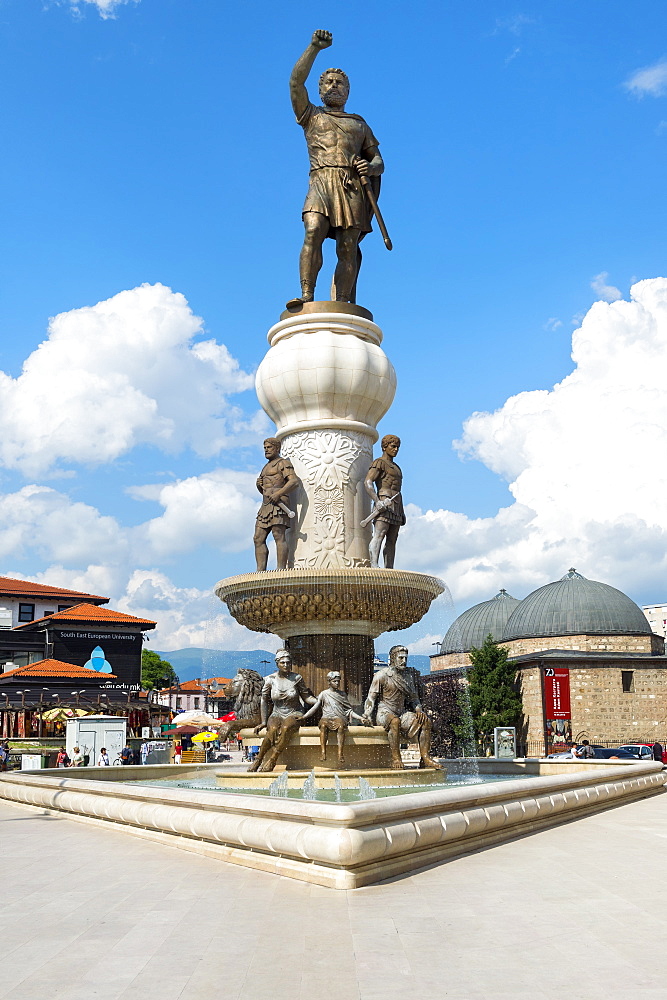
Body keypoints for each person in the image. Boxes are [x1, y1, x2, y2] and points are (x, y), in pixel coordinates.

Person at [288, 29, 384, 305]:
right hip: (320, 181)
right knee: (313, 229)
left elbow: (379, 161)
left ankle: (342, 301)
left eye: (339, 83)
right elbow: (295, 82)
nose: (333, 86)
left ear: (348, 91)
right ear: (319, 90)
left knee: (347, 246)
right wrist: (314, 48)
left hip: (350, 186)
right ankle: (306, 296)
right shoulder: (311, 115)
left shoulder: (359, 124)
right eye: (328, 82)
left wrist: (369, 167)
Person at [363, 645, 442, 770]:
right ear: (393, 658)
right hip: (385, 712)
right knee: (395, 721)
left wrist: (418, 710)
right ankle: (396, 759)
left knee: (425, 721)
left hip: (402, 713)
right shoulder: (381, 675)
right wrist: (367, 714)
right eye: (400, 658)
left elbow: (414, 698)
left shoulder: (408, 677)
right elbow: (371, 698)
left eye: (405, 658)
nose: (404, 661)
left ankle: (425, 758)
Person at [250, 648, 317, 772]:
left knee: (286, 728)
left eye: (288, 662)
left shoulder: (297, 678)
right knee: (273, 729)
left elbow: (306, 697)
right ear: (277, 664)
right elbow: (264, 700)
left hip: (295, 712)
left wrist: (320, 701)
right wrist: (264, 721)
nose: (286, 665)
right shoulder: (270, 680)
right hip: (277, 712)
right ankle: (258, 759)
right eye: (283, 663)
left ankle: (273, 759)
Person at [300, 670, 370, 765]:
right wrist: (304, 716)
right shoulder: (324, 694)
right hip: (326, 717)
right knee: (323, 726)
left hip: (339, 717)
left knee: (341, 727)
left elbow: (349, 711)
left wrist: (360, 718)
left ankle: (340, 753)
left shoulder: (342, 695)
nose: (337, 683)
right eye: (334, 681)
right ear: (329, 682)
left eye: (338, 681)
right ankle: (323, 752)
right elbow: (315, 707)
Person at [254, 438, 300, 571]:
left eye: (269, 447)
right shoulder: (266, 467)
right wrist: (259, 486)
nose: (266, 450)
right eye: (265, 448)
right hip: (266, 505)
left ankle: (281, 569)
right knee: (258, 538)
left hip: (279, 505)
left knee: (278, 535)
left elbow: (293, 482)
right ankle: (260, 571)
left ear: (277, 448)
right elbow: (265, 490)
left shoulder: (283, 463)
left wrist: (279, 494)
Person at [365, 435, 405, 569]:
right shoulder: (379, 463)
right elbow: (368, 482)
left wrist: (402, 511)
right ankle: (374, 564)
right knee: (379, 534)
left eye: (397, 447)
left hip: (397, 504)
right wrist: (376, 501)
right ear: (384, 447)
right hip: (384, 501)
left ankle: (389, 568)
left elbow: (399, 491)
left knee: (392, 540)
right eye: (393, 446)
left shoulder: (397, 468)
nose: (396, 449)